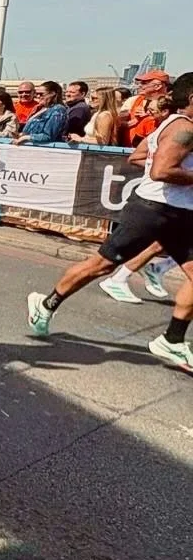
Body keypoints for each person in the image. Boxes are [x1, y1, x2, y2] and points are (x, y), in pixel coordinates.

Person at [27, 75, 193, 369]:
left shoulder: (171, 124)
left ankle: (173, 339)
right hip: (153, 211)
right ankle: (46, 303)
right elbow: (161, 171)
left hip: (180, 213)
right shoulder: (184, 129)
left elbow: (139, 157)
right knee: (102, 265)